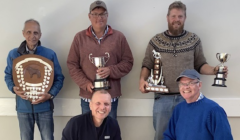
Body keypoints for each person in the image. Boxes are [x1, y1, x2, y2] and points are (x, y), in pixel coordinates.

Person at [139, 1, 228, 140]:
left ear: (185, 18)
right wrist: (142, 80)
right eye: (173, 16)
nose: (176, 20)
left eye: (180, 16)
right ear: (167, 17)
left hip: (187, 98)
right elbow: (147, 64)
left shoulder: (194, 40)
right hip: (162, 99)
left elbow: (200, 65)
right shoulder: (155, 41)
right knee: (161, 136)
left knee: (187, 135)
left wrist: (216, 70)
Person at [67, 0, 133, 119]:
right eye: (95, 14)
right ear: (89, 16)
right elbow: (72, 64)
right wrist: (85, 83)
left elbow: (128, 62)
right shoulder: (79, 38)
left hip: (110, 97)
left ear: (107, 15)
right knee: (88, 133)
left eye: (102, 14)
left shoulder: (119, 37)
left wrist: (110, 70)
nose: (99, 17)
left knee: (109, 133)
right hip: (88, 97)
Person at [4, 19, 64, 140]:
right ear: (23, 33)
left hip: (44, 107)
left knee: (47, 138)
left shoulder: (49, 54)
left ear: (40, 35)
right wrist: (13, 88)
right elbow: (8, 76)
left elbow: (59, 78)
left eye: (36, 33)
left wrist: (50, 95)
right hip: (23, 108)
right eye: (29, 32)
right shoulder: (13, 55)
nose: (32, 36)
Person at [163, 69, 233, 140]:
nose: (186, 87)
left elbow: (224, 137)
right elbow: (169, 136)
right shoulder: (179, 109)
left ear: (199, 85)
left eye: (190, 83)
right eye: (182, 84)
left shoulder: (214, 110)